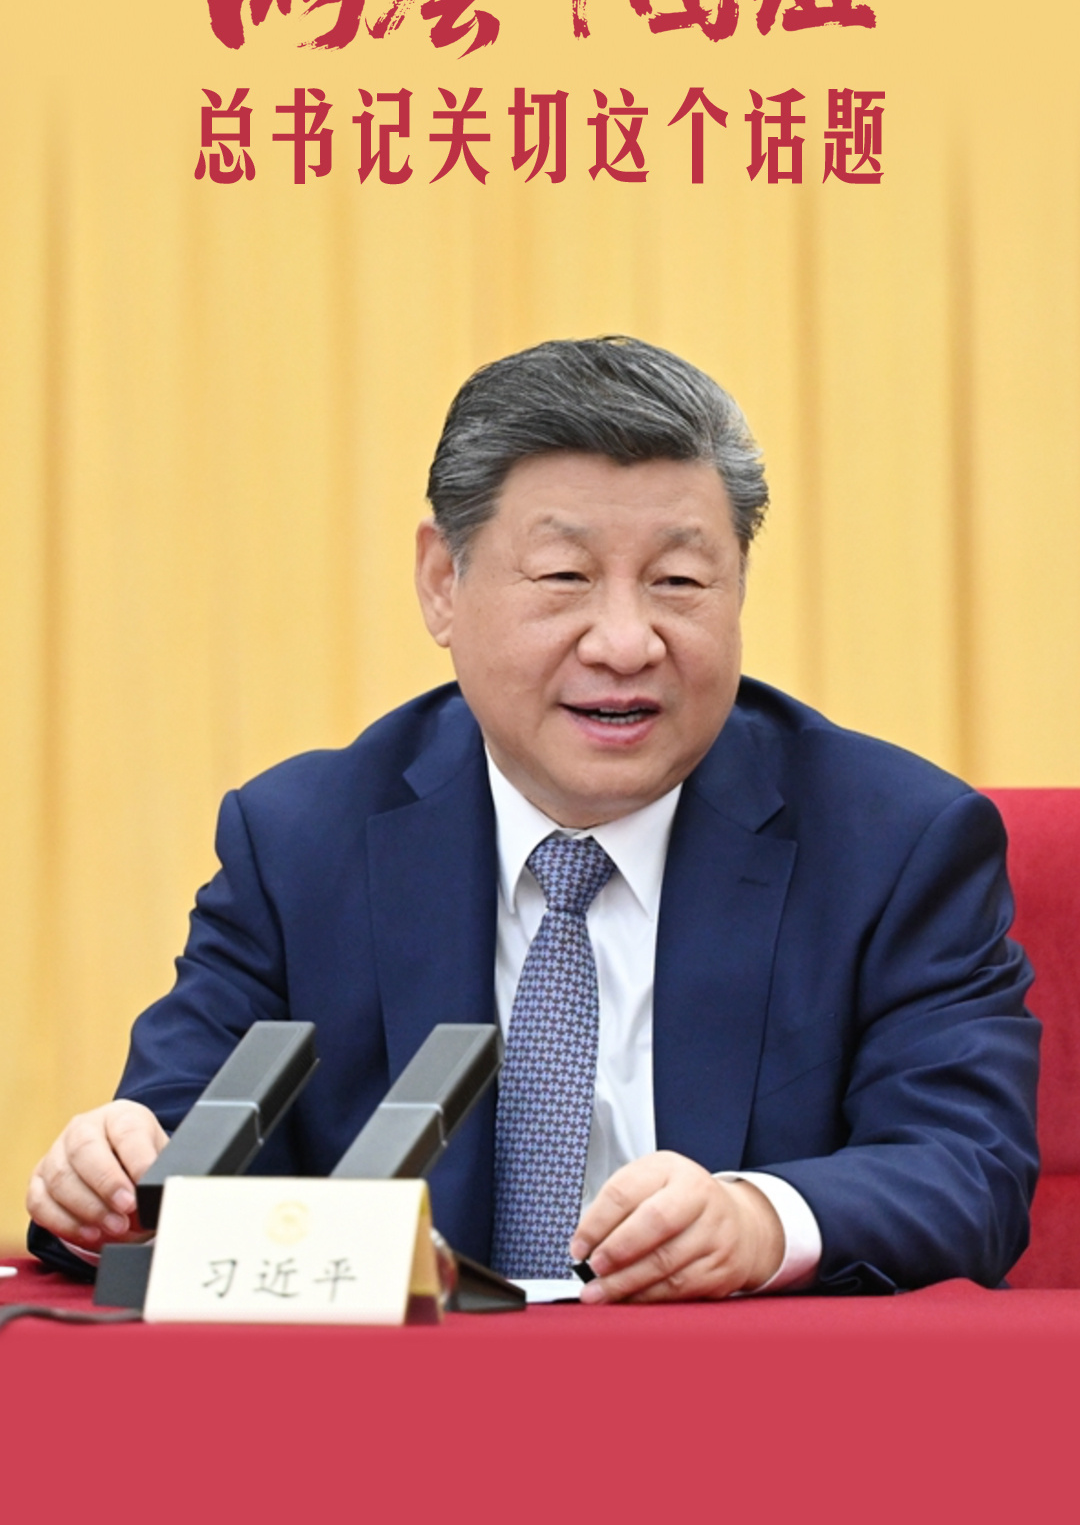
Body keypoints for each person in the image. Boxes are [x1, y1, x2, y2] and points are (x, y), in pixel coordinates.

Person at [27, 337, 1040, 1298]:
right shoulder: (303, 843)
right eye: (564, 578)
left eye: (679, 582)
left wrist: (760, 1220)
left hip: (734, 1387)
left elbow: (968, 1168)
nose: (625, 642)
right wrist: (113, 1190)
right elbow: (177, 1144)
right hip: (400, 1394)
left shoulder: (893, 844)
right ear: (443, 583)